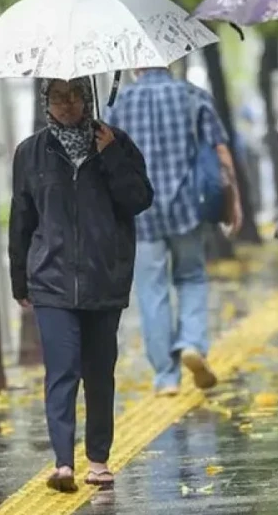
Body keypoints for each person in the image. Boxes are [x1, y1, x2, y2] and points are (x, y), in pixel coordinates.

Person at [9, 77, 153, 492]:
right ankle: (62, 463)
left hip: (103, 276)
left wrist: (110, 157)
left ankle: (98, 459)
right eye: (58, 97)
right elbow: (22, 219)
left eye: (75, 95)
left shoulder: (116, 142)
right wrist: (20, 278)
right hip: (50, 278)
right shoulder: (31, 152)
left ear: (88, 97)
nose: (68, 104)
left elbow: (138, 200)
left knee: (99, 371)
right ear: (46, 102)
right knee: (62, 369)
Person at [106, 67, 242, 396]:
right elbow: (220, 151)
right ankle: (192, 342)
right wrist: (234, 202)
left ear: (137, 65)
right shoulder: (193, 95)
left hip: (142, 213)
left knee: (152, 291)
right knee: (192, 276)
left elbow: (108, 159)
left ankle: (166, 377)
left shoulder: (119, 104)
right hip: (188, 208)